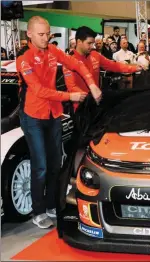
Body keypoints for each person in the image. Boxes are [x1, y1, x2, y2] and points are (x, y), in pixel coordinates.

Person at [16, 16, 100, 229]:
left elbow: (77, 64)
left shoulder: (53, 51)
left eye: (48, 34)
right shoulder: (23, 59)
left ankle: (53, 204)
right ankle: (38, 211)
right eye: (41, 35)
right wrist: (69, 97)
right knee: (41, 166)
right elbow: (39, 91)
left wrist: (92, 85)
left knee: (56, 163)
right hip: (32, 115)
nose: (46, 38)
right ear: (30, 34)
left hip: (53, 114)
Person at [63, 26, 141, 110]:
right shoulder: (69, 60)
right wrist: (91, 96)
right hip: (80, 107)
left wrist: (134, 68)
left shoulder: (95, 55)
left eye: (93, 43)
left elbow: (113, 65)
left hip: (96, 102)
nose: (92, 46)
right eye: (89, 43)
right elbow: (72, 87)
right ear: (79, 42)